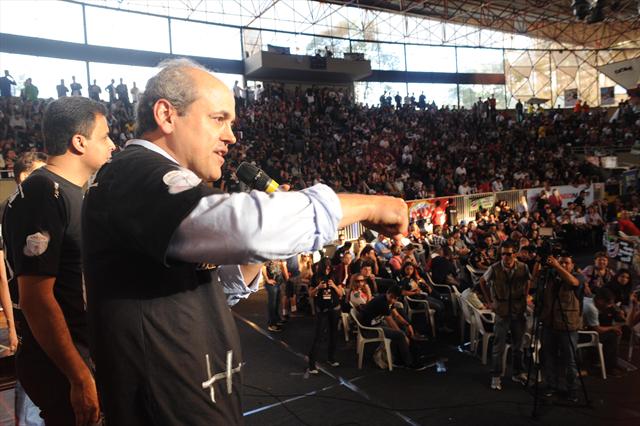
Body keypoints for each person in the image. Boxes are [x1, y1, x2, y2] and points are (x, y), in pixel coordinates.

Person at [81, 58, 408, 425]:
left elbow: (206, 291)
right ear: (167, 115)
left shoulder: (145, 185)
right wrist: (370, 205)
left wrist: (253, 255)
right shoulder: (135, 172)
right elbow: (247, 226)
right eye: (218, 119)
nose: (231, 136)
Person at [3, 96, 115, 425]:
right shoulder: (42, 193)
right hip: (65, 366)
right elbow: (37, 299)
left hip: (85, 355)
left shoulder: (72, 192)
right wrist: (79, 376)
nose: (112, 144)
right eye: (105, 136)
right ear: (79, 142)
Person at [3, 152, 47, 426]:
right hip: (27, 314)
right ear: (23, 178)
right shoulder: (8, 211)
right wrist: (11, 324)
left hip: (52, 312)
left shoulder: (48, 209)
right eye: (41, 175)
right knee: (32, 393)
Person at [479, 242, 533, 391]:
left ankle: (518, 372)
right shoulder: (495, 268)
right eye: (503, 253)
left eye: (509, 254)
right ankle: (496, 376)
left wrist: (525, 296)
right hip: (501, 311)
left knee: (519, 345)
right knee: (499, 346)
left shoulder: (523, 267)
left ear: (514, 254)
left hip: (518, 309)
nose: (506, 257)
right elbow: (482, 282)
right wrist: (489, 301)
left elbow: (528, 281)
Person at [539, 253, 584, 403]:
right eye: (561, 263)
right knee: (549, 356)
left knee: (569, 360)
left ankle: (572, 389)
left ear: (572, 265)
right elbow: (535, 284)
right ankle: (551, 385)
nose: (563, 265)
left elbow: (573, 283)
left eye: (566, 263)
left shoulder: (578, 277)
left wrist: (557, 266)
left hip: (568, 326)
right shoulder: (551, 276)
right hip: (549, 323)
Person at [582, 288, 626, 377]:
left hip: (579, 330)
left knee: (609, 333)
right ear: (600, 300)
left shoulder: (588, 299)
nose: (609, 306)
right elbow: (597, 329)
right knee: (612, 336)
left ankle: (597, 361)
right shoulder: (592, 308)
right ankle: (610, 367)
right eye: (608, 303)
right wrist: (613, 328)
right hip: (581, 335)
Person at [307, 275, 343, 374]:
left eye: (329, 268)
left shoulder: (335, 277)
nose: (327, 270)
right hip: (322, 310)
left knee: (334, 334)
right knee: (319, 336)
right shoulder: (315, 277)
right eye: (325, 267)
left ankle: (331, 358)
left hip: (334, 309)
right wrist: (318, 287)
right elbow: (310, 294)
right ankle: (312, 364)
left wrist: (334, 286)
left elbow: (340, 293)